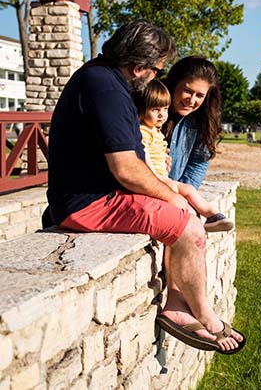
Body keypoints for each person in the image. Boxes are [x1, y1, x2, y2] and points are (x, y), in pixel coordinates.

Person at [46, 20, 245, 354]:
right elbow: (126, 168)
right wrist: (174, 199)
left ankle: (180, 307)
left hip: (95, 195)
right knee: (189, 227)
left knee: (184, 221)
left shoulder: (102, 80)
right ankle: (203, 313)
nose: (156, 76)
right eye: (156, 70)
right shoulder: (106, 88)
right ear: (138, 67)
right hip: (89, 202)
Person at [133, 79, 234, 232]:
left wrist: (164, 157)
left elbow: (157, 151)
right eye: (155, 110)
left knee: (188, 190)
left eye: (165, 109)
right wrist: (155, 176)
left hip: (161, 177)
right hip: (155, 179)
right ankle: (200, 221)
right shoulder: (143, 131)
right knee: (182, 197)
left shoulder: (154, 129)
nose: (162, 115)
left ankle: (212, 215)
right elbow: (142, 155)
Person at [161, 56, 223, 190]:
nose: (192, 100)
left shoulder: (203, 120)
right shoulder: (147, 108)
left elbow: (198, 164)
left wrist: (178, 194)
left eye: (200, 95)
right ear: (173, 84)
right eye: (188, 91)